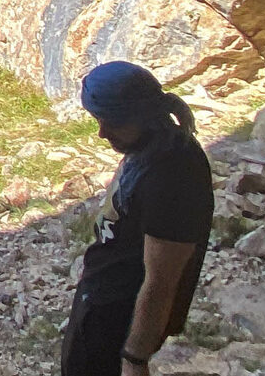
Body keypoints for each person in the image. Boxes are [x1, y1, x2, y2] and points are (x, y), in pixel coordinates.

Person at [63, 61, 213, 376]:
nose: (102, 133)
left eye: (112, 123)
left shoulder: (175, 176)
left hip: (119, 319)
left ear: (143, 116)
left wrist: (134, 358)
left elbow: (161, 281)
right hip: (102, 299)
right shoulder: (149, 145)